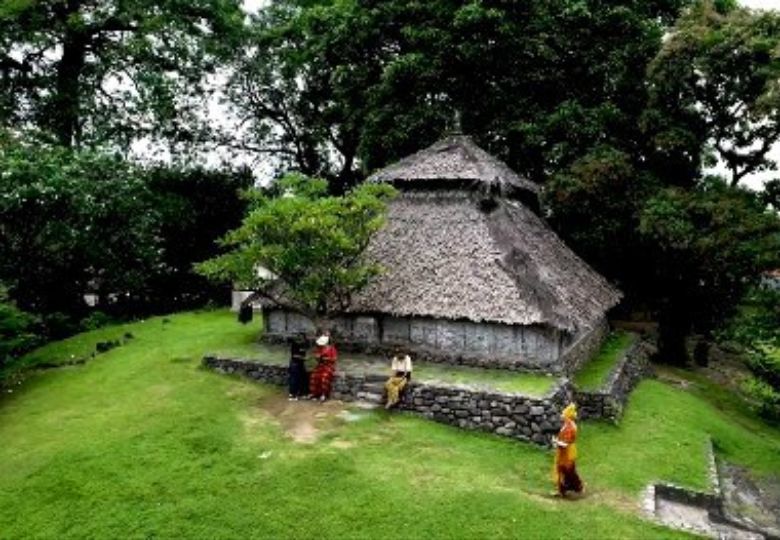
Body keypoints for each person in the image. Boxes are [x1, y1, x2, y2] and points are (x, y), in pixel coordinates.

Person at [552, 403, 583, 497]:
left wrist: (556, 442)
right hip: (566, 452)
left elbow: (565, 443)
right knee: (564, 470)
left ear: (567, 416)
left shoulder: (570, 427)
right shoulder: (568, 424)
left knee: (567, 471)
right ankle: (563, 489)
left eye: (563, 414)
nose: (562, 415)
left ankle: (573, 488)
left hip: (567, 452)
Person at [308, 332, 338, 402]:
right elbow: (316, 356)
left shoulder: (332, 349)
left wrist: (326, 359)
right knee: (314, 376)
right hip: (321, 365)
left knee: (324, 377)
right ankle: (314, 393)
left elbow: (334, 359)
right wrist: (317, 357)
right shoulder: (319, 348)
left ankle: (324, 394)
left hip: (329, 366)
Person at [287, 334, 308, 400]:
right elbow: (294, 355)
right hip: (295, 364)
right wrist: (303, 358)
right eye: (302, 339)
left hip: (300, 364)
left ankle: (301, 393)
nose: (303, 340)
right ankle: (292, 394)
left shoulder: (303, 345)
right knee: (294, 379)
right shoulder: (295, 345)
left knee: (302, 377)